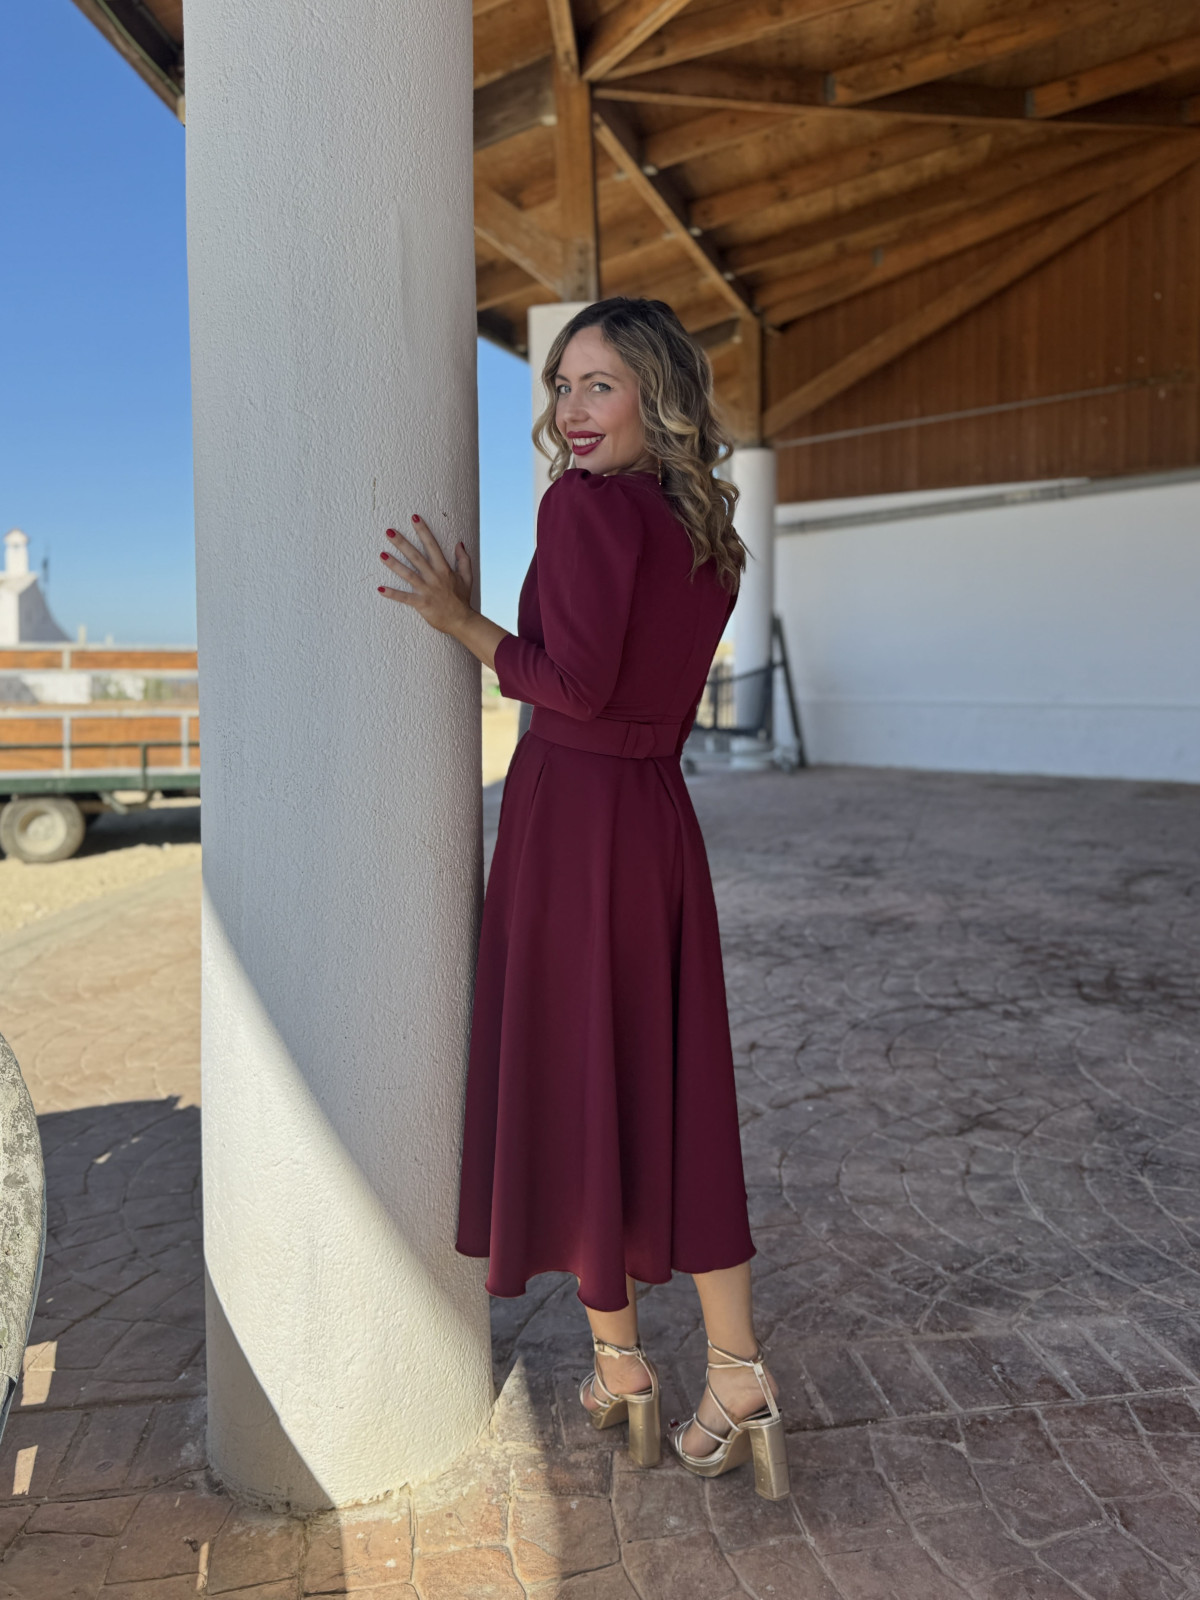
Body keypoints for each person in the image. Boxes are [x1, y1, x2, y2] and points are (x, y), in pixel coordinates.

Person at [376, 297, 788, 1500]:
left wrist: (463, 624)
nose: (570, 410)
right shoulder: (706, 530)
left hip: (575, 823)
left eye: (597, 385)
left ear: (655, 396)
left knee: (574, 1084)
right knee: (674, 1093)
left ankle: (625, 1368)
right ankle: (732, 1369)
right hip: (658, 820)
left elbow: (574, 682)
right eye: (560, 387)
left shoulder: (585, 507)